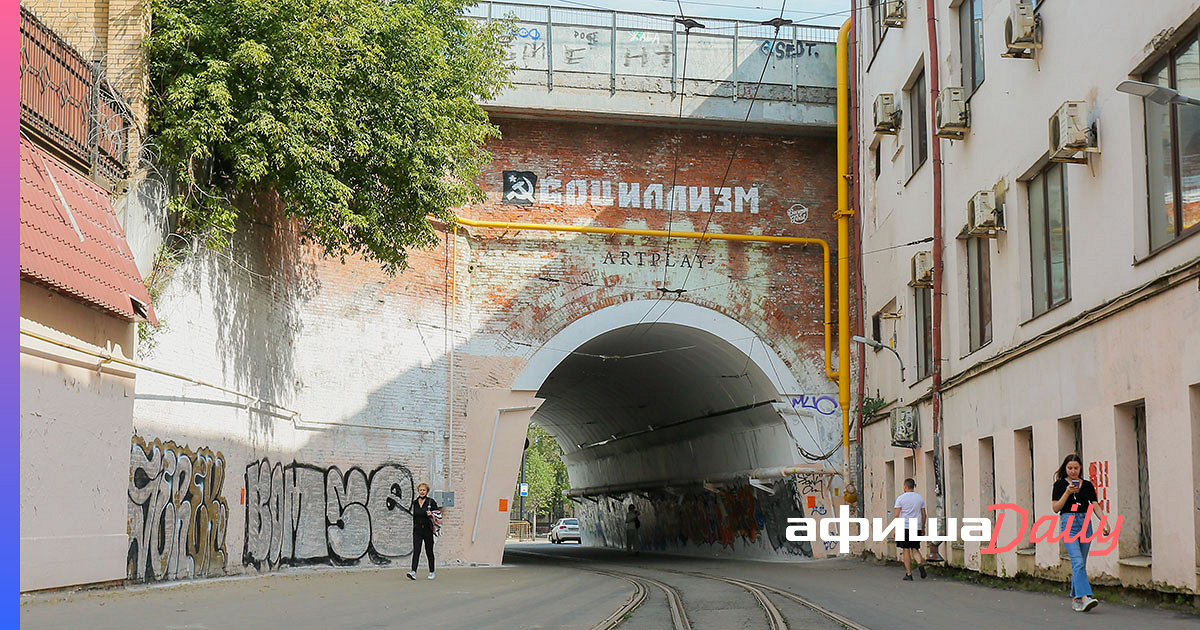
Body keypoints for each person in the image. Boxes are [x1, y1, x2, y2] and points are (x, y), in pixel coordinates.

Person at [1052, 454, 1109, 613]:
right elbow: (1056, 508)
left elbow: (1095, 505)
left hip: (1085, 523)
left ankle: (1075, 597)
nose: (1073, 471)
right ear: (1065, 468)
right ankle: (1085, 597)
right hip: (1068, 522)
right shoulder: (1059, 485)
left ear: (1080, 468)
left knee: (1081, 563)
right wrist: (1067, 493)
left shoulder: (1088, 486)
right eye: (1069, 468)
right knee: (1077, 561)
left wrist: (1104, 521)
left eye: (1076, 468)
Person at [892, 478, 927, 581]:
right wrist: (923, 527)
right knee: (915, 548)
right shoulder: (919, 498)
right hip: (916, 526)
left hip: (904, 527)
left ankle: (909, 573)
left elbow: (896, 515)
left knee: (906, 550)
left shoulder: (900, 499)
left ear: (905, 486)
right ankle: (920, 564)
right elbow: (924, 514)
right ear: (913, 486)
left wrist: (895, 529)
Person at [408, 482, 440, 580]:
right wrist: (414, 529)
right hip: (417, 530)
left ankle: (432, 571)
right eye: (420, 490)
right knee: (416, 550)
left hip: (428, 530)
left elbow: (438, 514)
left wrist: (431, 514)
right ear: (418, 491)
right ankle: (413, 572)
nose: (422, 492)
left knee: (429, 551)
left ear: (427, 491)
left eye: (424, 490)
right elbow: (414, 516)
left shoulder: (431, 502)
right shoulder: (415, 502)